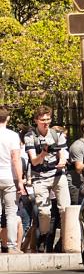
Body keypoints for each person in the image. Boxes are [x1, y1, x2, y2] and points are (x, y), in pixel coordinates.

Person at [24, 105, 71, 249]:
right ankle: (43, 237)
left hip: (57, 175)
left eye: (48, 119)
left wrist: (62, 161)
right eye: (42, 119)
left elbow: (62, 153)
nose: (46, 122)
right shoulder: (30, 136)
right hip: (40, 176)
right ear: (36, 120)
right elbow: (34, 161)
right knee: (44, 212)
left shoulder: (57, 134)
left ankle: (64, 240)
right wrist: (44, 153)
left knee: (65, 209)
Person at [0, 107, 26, 253]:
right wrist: (20, 180)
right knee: (11, 211)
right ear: (8, 118)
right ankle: (11, 245)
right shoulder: (12, 136)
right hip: (8, 177)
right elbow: (16, 159)